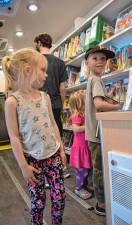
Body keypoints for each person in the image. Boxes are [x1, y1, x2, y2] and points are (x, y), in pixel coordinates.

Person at [2, 48, 66, 225]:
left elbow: (53, 124)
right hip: (32, 161)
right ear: (28, 70)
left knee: (59, 197)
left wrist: (61, 148)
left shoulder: (45, 97)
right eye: (43, 70)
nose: (46, 75)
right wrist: (23, 166)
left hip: (53, 155)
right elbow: (14, 136)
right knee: (37, 203)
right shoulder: (12, 102)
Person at [85, 45, 122, 216]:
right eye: (95, 58)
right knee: (99, 169)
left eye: (103, 59)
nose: (100, 61)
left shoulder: (92, 80)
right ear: (87, 62)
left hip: (92, 133)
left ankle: (101, 199)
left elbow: (98, 102)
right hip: (97, 134)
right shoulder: (96, 80)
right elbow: (99, 104)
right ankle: (101, 203)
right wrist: (118, 106)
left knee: (97, 168)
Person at [34, 33, 70, 178]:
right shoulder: (60, 63)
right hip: (55, 103)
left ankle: (43, 171)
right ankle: (62, 167)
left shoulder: (36, 62)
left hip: (38, 104)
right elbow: (63, 88)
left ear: (39, 43)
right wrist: (60, 103)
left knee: (41, 135)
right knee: (57, 134)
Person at [69, 90, 92, 200]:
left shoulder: (83, 113)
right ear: (80, 103)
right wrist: (88, 126)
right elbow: (76, 129)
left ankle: (82, 186)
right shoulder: (77, 115)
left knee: (85, 170)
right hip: (80, 147)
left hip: (84, 146)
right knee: (81, 170)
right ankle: (78, 189)